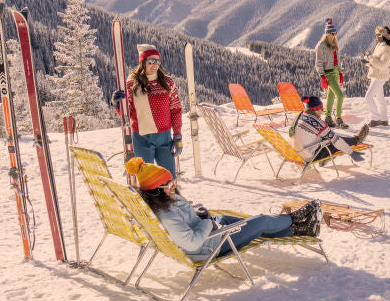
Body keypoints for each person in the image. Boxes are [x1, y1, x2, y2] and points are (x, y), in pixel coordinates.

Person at [125, 157, 320, 262]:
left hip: (211, 231)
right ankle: (295, 219)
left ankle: (296, 230)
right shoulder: (168, 216)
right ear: (156, 191)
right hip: (211, 246)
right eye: (169, 184)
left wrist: (197, 213)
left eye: (173, 181)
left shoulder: (165, 202)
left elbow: (186, 221)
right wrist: (207, 223)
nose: (174, 186)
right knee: (260, 222)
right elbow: (192, 243)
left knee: (249, 224)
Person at [111, 44, 183, 176]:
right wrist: (116, 105)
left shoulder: (167, 82)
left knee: (169, 177)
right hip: (141, 138)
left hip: (164, 138)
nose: (155, 64)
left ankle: (170, 197)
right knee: (147, 179)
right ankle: (149, 197)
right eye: (151, 61)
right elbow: (127, 113)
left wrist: (177, 135)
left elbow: (176, 109)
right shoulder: (131, 84)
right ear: (143, 62)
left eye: (157, 61)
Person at [289, 95, 369, 163]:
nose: (322, 111)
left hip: (297, 152)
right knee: (334, 141)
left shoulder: (301, 116)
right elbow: (336, 140)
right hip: (309, 156)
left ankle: (325, 160)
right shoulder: (317, 123)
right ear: (316, 109)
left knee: (327, 136)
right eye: (321, 109)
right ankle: (357, 140)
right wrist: (351, 153)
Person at [314, 17, 347, 128]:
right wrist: (322, 76)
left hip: (336, 73)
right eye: (332, 34)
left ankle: (328, 118)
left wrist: (341, 73)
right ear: (327, 34)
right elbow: (318, 63)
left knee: (331, 96)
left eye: (335, 33)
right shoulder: (321, 46)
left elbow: (338, 61)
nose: (334, 35)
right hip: (328, 74)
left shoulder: (334, 44)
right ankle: (338, 119)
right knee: (340, 96)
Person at [363, 26, 390, 127]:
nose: (377, 37)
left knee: (368, 97)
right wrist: (367, 62)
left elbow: (383, 65)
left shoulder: (387, 49)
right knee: (380, 98)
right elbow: (375, 62)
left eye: (379, 35)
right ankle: (384, 119)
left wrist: (370, 58)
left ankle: (376, 119)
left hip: (380, 76)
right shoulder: (379, 46)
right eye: (376, 34)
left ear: (385, 36)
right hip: (376, 75)